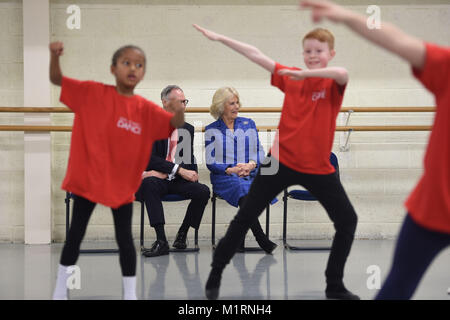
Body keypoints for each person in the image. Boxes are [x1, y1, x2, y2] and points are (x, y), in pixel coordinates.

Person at [194, 23, 359, 300]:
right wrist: (220, 37)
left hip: (318, 167)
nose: (312, 55)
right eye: (307, 51)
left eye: (319, 51)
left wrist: (302, 73)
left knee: (348, 220)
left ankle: (334, 285)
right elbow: (256, 54)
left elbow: (343, 73)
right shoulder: (291, 78)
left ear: (331, 52)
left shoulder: (331, 83)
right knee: (245, 216)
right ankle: (216, 272)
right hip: (281, 162)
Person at [298, 0, 450, 299]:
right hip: (432, 209)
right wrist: (344, 16)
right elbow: (396, 40)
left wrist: (344, 16)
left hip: (431, 208)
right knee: (396, 288)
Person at [49, 42, 184, 300]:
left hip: (121, 183)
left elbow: (173, 123)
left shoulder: (145, 109)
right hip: (88, 179)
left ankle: (130, 294)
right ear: (113, 68)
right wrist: (55, 57)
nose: (133, 68)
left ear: (142, 74)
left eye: (139, 64)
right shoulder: (91, 92)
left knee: (124, 238)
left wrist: (178, 109)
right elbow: (57, 79)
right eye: (126, 63)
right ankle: (59, 289)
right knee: (75, 234)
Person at [137, 85, 210, 257]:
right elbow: (149, 158)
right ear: (165, 102)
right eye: (180, 102)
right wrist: (178, 169)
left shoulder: (188, 129)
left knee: (203, 191)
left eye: (185, 102)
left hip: (176, 179)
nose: (183, 106)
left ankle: (182, 233)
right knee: (149, 184)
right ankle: (161, 241)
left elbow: (187, 157)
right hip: (157, 178)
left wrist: (192, 172)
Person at [205, 87, 277, 253]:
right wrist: (231, 169)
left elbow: (259, 151)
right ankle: (261, 238)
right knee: (243, 188)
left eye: (237, 102)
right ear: (221, 106)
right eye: (232, 103)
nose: (237, 106)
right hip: (226, 176)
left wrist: (251, 164)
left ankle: (238, 238)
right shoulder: (211, 129)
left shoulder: (248, 123)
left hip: (249, 172)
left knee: (253, 187)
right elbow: (211, 161)